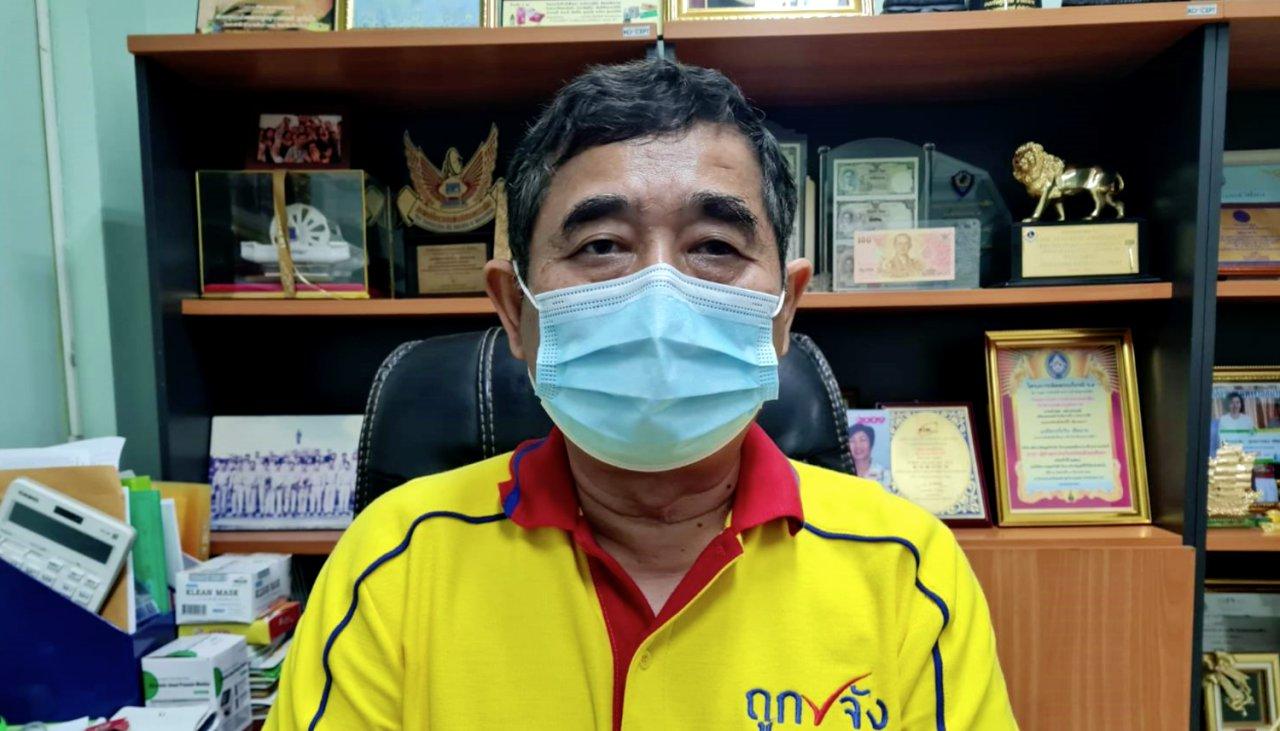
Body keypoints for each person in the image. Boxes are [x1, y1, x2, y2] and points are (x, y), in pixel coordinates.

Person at [267, 59, 1014, 730]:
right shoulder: (391, 564)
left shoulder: (908, 570)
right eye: (601, 246)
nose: (661, 300)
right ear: (515, 312)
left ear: (784, 311)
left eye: (715, 247)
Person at [849, 422, 891, 489]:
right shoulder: (841, 474)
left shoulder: (885, 475)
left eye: (862, 440)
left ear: (871, 445)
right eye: (852, 441)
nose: (857, 445)